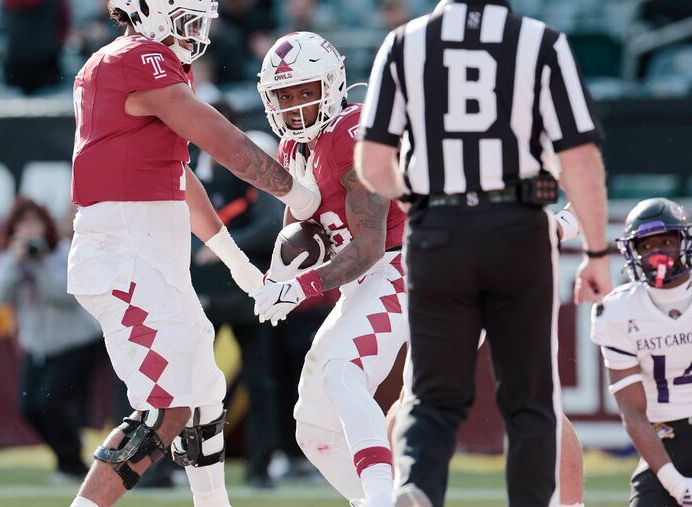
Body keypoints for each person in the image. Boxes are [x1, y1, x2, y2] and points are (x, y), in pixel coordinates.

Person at [355, 1, 612, 505]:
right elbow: (580, 159)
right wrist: (598, 252)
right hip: (519, 225)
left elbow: (373, 163)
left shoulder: (405, 43)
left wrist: (428, 203)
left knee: (429, 397)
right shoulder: (540, 43)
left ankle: (417, 488)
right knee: (531, 402)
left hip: (438, 230)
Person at [67, 1, 321, 506]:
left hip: (150, 262)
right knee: (166, 407)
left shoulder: (141, 69)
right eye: (186, 15)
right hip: (124, 260)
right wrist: (299, 194)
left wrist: (240, 266)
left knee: (204, 392)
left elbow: (179, 181)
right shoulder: (135, 57)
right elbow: (224, 143)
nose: (198, 28)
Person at [251, 32, 408, 507]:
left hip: (408, 264)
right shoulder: (292, 152)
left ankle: (381, 500)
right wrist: (279, 274)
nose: (296, 107)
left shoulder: (352, 132)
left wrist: (299, 287)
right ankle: (383, 499)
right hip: (365, 280)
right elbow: (298, 232)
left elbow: (369, 244)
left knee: (344, 370)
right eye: (285, 96)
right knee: (313, 428)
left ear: (333, 85)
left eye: (306, 92)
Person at [190, 120, 285, 489]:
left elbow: (271, 226)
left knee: (260, 382)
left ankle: (261, 466)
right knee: (192, 384)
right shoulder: (203, 177)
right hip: (214, 295)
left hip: (247, 295)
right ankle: (180, 464)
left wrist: (222, 250)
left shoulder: (254, 182)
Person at [0, 198, 102, 483]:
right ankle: (67, 461)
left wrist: (39, 265)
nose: (29, 230)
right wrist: (15, 263)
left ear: (45, 225)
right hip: (39, 346)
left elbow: (66, 295)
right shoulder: (11, 259)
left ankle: (72, 464)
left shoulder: (63, 252)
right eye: (23, 224)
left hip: (77, 341)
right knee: (28, 407)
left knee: (51, 401)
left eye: (34, 223)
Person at [591, 198, 692, 507]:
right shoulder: (618, 310)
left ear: (683, 242)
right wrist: (677, 485)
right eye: (647, 246)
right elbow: (632, 411)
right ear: (633, 252)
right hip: (666, 441)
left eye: (666, 242)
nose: (657, 253)